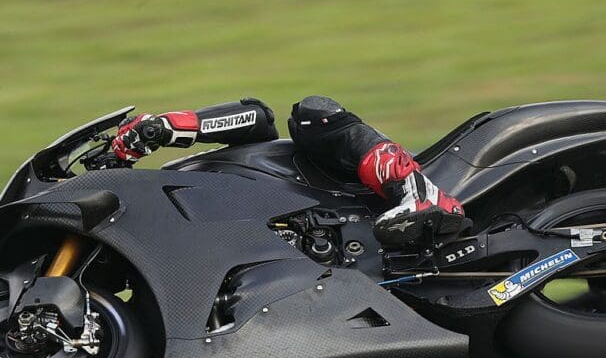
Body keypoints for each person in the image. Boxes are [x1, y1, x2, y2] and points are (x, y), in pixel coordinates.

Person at [111, 95, 464, 246]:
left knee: (312, 114)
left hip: (331, 185)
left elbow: (258, 118)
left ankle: (419, 194)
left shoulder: (249, 142)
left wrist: (160, 128)